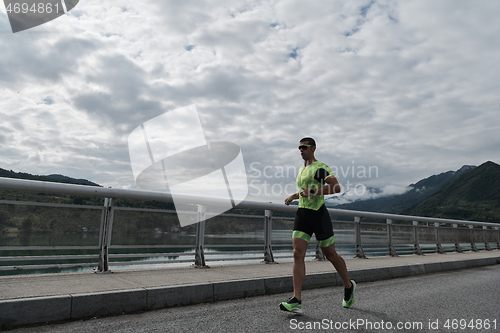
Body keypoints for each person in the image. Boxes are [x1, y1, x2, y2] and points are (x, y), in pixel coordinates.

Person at [280, 137, 355, 314]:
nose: (301, 150)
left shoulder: (319, 168)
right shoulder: (302, 170)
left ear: (313, 148)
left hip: (318, 214)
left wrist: (313, 191)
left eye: (304, 147)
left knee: (330, 254)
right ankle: (296, 299)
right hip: (303, 214)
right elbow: (306, 191)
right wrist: (294, 196)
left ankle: (348, 285)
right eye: (299, 147)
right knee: (297, 254)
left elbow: (335, 187)